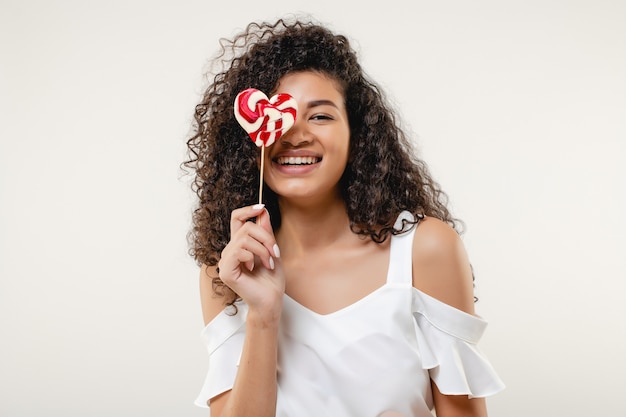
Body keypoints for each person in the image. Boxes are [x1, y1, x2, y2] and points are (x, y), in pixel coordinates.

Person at [184, 17, 504, 417]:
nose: (294, 133)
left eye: (320, 116)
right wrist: (263, 315)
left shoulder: (426, 249)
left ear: (358, 136)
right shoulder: (227, 272)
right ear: (248, 140)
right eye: (279, 116)